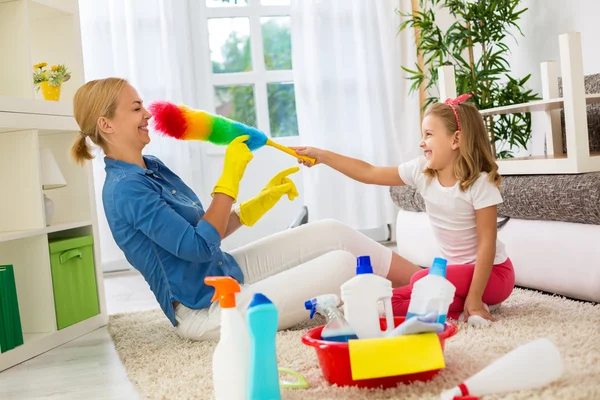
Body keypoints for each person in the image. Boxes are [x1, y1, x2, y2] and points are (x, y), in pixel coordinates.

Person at [69, 77, 421, 341]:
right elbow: (196, 246)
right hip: (207, 310)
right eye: (135, 109)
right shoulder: (126, 190)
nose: (147, 114)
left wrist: (258, 204)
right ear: (106, 124)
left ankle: (428, 281)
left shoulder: (152, 166)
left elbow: (206, 229)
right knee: (344, 265)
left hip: (228, 272)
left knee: (333, 231)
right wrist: (230, 177)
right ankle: (427, 292)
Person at [292, 94, 515, 324]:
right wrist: (322, 156)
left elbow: (488, 243)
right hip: (454, 276)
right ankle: (457, 308)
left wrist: (475, 298)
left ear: (455, 139)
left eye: (428, 134)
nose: (421, 142)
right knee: (390, 303)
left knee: (420, 280)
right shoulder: (422, 170)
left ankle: (472, 303)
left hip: (494, 276)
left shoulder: (479, 183)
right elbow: (369, 173)